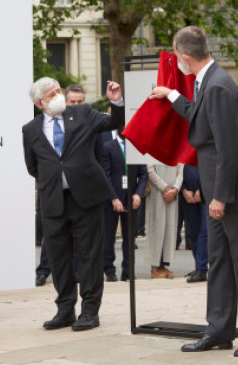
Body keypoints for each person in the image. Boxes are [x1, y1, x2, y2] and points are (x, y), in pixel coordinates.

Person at [150, 25, 238, 357]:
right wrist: (172, 95)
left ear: (186, 56)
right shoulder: (208, 80)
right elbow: (197, 118)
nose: (177, 62)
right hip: (221, 188)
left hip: (234, 191)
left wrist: (219, 196)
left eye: (178, 56)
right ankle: (219, 330)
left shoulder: (217, 86)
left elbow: (227, 148)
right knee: (219, 261)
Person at [22, 77, 124, 332]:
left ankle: (90, 311)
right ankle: (65, 309)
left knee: (89, 255)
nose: (57, 96)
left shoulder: (82, 113)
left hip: (86, 198)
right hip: (53, 202)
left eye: (58, 90)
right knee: (58, 259)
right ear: (39, 103)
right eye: (50, 94)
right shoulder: (30, 130)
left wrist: (117, 101)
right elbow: (33, 167)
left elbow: (115, 122)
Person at [35, 85, 97, 287]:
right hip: (54, 194)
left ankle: (79, 276)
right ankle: (44, 271)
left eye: (81, 102)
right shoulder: (40, 128)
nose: (77, 106)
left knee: (83, 246)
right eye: (73, 102)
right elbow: (34, 165)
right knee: (53, 243)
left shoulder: (88, 124)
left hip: (82, 194)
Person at [99, 130, 148, 282]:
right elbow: (105, 175)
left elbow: (144, 174)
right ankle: (109, 269)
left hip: (131, 199)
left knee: (129, 238)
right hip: (112, 200)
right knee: (108, 237)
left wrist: (138, 194)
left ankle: (128, 270)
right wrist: (113, 198)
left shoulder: (136, 149)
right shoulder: (107, 147)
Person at [146, 163, 183, 278]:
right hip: (157, 193)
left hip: (172, 193)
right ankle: (154, 267)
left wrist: (176, 188)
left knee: (169, 229)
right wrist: (164, 187)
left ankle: (163, 264)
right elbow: (150, 170)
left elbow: (181, 172)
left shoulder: (177, 147)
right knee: (157, 229)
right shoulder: (153, 145)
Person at [179, 164, 208, 283]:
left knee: (204, 232)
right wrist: (183, 190)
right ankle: (199, 267)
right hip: (187, 197)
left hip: (205, 195)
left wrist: (201, 190)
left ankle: (201, 267)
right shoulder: (182, 150)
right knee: (193, 233)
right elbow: (177, 172)